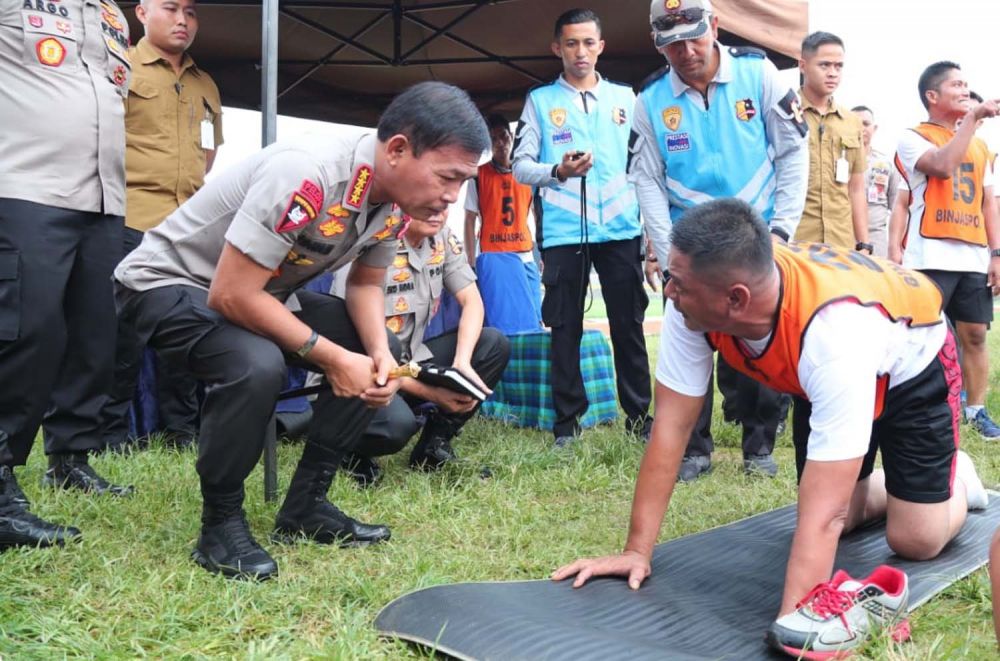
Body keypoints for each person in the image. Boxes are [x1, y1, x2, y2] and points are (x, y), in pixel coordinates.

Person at [553, 198, 988, 657]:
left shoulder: (832, 336)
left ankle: (958, 477)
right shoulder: (691, 301)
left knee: (914, 539)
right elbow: (671, 430)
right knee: (834, 511)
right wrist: (636, 551)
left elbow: (824, 515)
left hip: (913, 359)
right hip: (830, 369)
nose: (669, 290)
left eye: (678, 283)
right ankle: (897, 487)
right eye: (670, 277)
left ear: (736, 298)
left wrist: (794, 625)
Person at [113, 82, 490, 580]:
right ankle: (220, 525)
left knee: (378, 345)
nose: (452, 196)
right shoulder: (308, 172)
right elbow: (231, 294)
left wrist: (379, 355)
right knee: (255, 363)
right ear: (398, 149)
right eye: (448, 177)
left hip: (257, 291)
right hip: (168, 283)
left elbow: (365, 283)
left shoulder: (395, 199)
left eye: (463, 181)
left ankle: (306, 507)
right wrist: (332, 358)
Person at [630, 0, 808, 481]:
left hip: (757, 237)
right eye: (672, 45)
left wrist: (781, 231)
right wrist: (669, 255)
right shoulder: (650, 100)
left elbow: (793, 151)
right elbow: (647, 179)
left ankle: (759, 445)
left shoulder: (759, 74)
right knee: (687, 343)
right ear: (658, 45)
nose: (686, 52)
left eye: (694, 38)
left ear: (714, 25)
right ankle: (693, 450)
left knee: (762, 335)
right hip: (690, 244)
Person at [0, 0, 133, 549]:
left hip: (103, 197)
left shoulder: (113, 15)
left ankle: (71, 457)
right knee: (27, 332)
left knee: (95, 334)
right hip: (25, 186)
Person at [512, 8, 651, 446]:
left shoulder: (626, 98)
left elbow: (647, 165)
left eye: (589, 42)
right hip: (564, 232)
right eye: (571, 43)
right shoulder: (540, 101)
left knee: (629, 326)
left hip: (622, 229)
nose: (580, 52)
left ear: (601, 46)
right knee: (565, 328)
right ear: (557, 48)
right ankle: (567, 424)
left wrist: (650, 236)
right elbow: (520, 167)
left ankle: (639, 419)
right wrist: (558, 171)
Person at [100, 0, 224, 452]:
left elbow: (208, 154)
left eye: (190, 12)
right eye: (170, 8)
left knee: (187, 328)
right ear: (141, 13)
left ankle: (181, 433)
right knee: (121, 336)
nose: (182, 20)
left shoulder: (205, 83)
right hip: (131, 217)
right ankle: (108, 435)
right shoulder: (121, 67)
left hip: (186, 229)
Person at [337, 214, 511, 486]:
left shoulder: (442, 237)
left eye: (445, 204)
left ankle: (433, 446)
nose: (439, 212)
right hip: (360, 373)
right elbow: (348, 345)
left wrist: (462, 363)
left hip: (408, 363)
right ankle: (348, 451)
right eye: (429, 203)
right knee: (396, 427)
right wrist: (433, 394)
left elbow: (472, 302)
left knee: (493, 345)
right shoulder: (375, 235)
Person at [892, 61, 1000, 439]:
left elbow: (989, 204)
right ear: (932, 96)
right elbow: (942, 166)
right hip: (928, 257)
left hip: (972, 256)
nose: (965, 90)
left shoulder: (982, 147)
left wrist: (997, 254)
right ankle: (925, 406)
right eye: (956, 85)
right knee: (926, 338)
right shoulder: (913, 138)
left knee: (975, 335)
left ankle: (976, 409)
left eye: (967, 84)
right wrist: (972, 118)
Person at [464, 113, 542, 335]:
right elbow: (469, 220)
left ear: (512, 136)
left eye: (503, 136)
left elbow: (538, 213)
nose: (500, 143)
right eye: (493, 139)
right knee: (498, 321)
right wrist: (471, 261)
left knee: (535, 318)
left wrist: (543, 251)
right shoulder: (478, 176)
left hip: (524, 255)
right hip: (494, 257)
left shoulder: (528, 173)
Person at [794, 32, 870, 254]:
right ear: (803, 66)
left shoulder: (851, 122)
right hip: (795, 239)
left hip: (841, 243)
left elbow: (856, 188)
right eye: (824, 65)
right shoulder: (784, 114)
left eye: (839, 66)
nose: (833, 73)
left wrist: (863, 243)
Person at [851, 105, 901, 258]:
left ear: (875, 128)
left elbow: (897, 207)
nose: (861, 128)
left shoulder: (886, 164)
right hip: (845, 235)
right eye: (855, 124)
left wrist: (896, 246)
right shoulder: (838, 161)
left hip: (877, 237)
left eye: (866, 124)